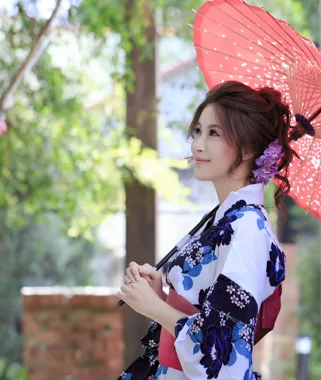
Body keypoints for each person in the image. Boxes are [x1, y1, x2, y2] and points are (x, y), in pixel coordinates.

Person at [116, 81, 295, 380]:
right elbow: (204, 311)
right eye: (198, 131)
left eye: (214, 133)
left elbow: (222, 347)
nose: (197, 144)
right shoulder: (228, 219)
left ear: (250, 147)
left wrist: (154, 308)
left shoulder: (248, 228)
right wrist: (161, 295)